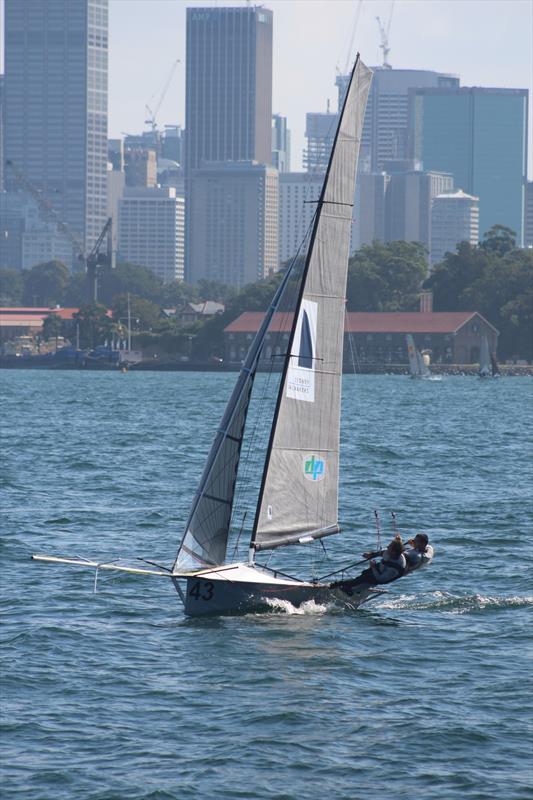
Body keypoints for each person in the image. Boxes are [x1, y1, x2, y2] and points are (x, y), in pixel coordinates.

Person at [331, 537, 406, 596]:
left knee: (360, 580)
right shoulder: (389, 552)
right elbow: (381, 553)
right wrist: (371, 555)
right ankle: (357, 589)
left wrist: (373, 567)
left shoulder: (394, 569)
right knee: (364, 573)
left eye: (389, 547)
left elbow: (380, 579)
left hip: (381, 577)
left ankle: (338, 585)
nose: (387, 547)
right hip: (380, 568)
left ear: (393, 552)